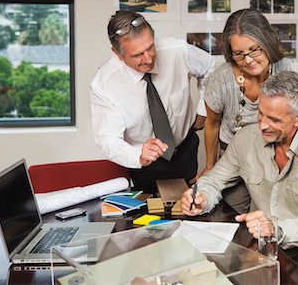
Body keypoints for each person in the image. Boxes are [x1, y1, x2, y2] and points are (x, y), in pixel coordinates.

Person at [182, 71, 298, 285]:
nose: (262, 124)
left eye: (274, 119)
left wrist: (275, 229)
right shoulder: (245, 138)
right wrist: (202, 198)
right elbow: (214, 180)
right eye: (261, 114)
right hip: (263, 241)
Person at [201, 8, 298, 213]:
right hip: (235, 157)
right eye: (239, 54)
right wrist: (210, 166)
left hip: (276, 157)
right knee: (233, 219)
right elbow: (212, 124)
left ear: (267, 42)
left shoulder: (292, 71)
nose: (247, 60)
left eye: (254, 49)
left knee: (273, 218)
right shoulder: (220, 79)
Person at [90, 10, 215, 194]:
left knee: (192, 211)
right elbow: (108, 139)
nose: (148, 59)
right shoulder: (104, 84)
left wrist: (204, 109)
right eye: (137, 55)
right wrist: (138, 155)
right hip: (144, 164)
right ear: (117, 53)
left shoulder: (177, 51)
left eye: (150, 47)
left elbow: (209, 67)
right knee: (149, 219)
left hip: (184, 149)